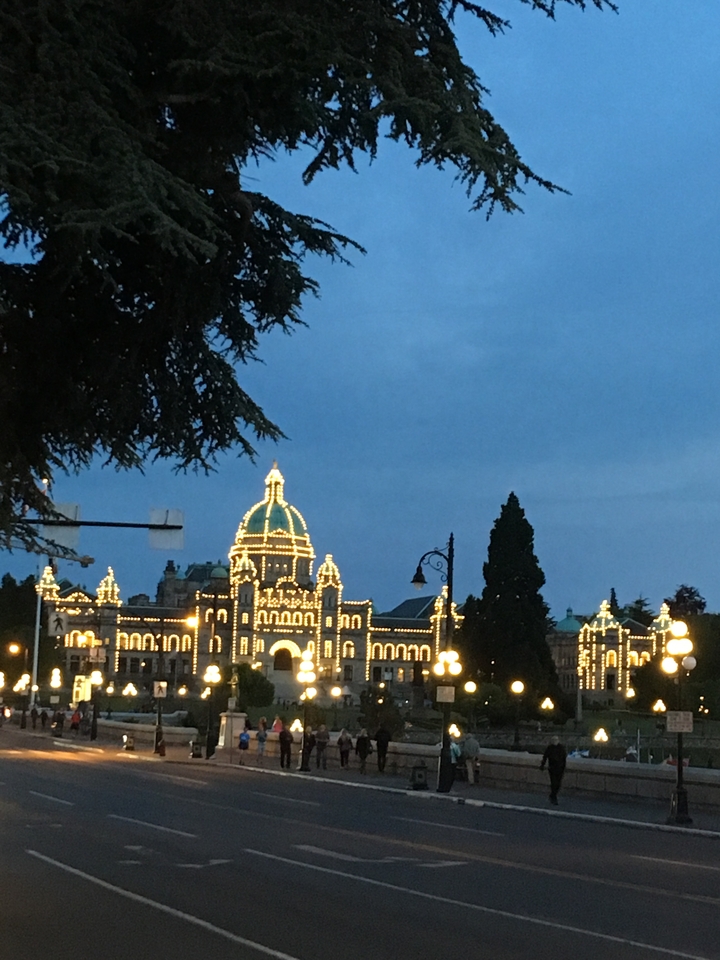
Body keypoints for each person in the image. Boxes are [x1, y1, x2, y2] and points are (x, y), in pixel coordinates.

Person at [540, 735, 567, 805]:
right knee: (554, 783)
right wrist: (542, 765)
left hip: (559, 768)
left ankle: (552, 795)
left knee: (558, 784)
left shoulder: (561, 748)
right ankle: (554, 797)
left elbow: (564, 758)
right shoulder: (550, 748)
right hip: (552, 768)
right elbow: (545, 757)